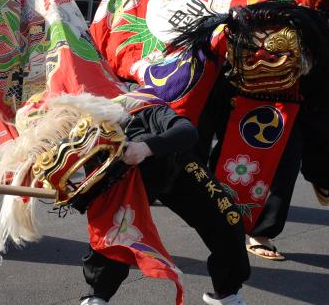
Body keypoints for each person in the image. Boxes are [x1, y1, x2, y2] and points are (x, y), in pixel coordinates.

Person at [194, 1, 329, 260]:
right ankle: (224, 221)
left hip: (291, 94)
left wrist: (314, 39)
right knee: (225, 156)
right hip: (236, 85)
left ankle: (262, 231)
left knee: (287, 161)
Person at [79, 95, 250, 305]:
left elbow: (187, 132)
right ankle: (97, 297)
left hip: (174, 164)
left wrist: (145, 148)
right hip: (123, 177)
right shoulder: (78, 120)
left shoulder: (141, 107)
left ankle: (229, 293)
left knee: (227, 219)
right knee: (114, 231)